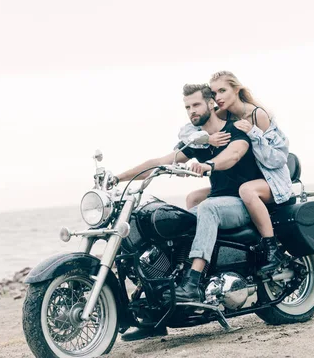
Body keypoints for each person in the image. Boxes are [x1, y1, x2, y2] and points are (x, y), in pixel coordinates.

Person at [116, 83, 263, 341]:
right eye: (187, 107)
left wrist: (208, 166)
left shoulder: (235, 130)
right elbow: (159, 162)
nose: (191, 111)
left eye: (196, 105)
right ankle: (154, 311)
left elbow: (232, 156)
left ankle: (193, 282)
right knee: (167, 221)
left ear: (211, 104)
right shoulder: (199, 140)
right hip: (219, 202)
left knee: (206, 207)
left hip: (241, 201)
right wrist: (117, 178)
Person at [181, 70, 293, 276]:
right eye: (214, 93)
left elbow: (277, 158)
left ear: (237, 89)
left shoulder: (257, 114)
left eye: (223, 90)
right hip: (244, 180)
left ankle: (271, 249)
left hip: (270, 178)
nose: (218, 97)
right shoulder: (223, 114)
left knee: (246, 190)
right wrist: (207, 138)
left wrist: (252, 133)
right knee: (194, 197)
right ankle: (211, 249)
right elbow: (187, 131)